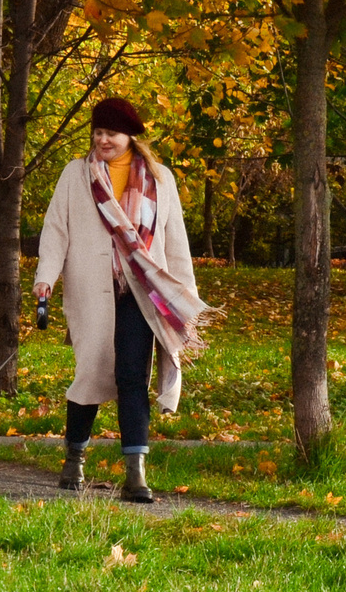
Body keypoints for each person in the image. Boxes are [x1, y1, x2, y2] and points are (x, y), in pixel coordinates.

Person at [32, 97, 212, 502]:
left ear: (129, 135)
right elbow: (56, 229)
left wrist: (186, 297)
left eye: (110, 134)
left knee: (134, 377)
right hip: (89, 290)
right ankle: (74, 459)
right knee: (92, 370)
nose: (102, 141)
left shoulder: (160, 178)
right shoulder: (75, 175)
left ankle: (136, 474)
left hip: (142, 293)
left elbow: (175, 242)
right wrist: (46, 278)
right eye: (97, 133)